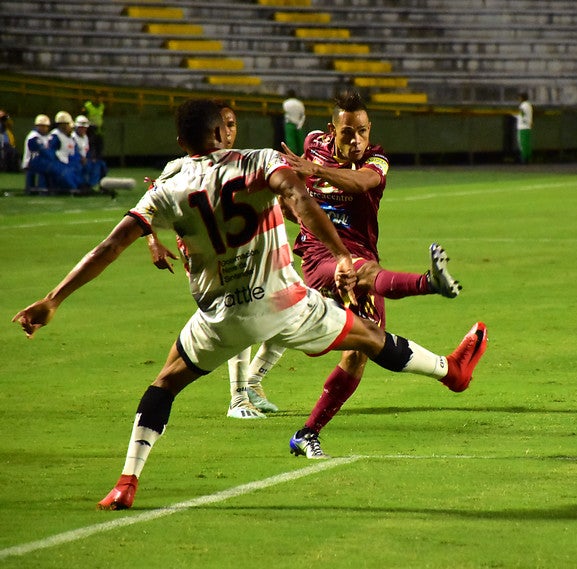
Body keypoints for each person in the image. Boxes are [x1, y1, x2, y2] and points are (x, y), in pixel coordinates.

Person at [12, 98, 489, 510]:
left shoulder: (168, 186)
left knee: (164, 385)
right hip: (285, 303)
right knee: (370, 338)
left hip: (220, 319)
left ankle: (126, 481)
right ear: (221, 132)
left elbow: (111, 245)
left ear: (181, 142)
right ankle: (450, 371)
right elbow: (299, 199)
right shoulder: (259, 161)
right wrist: (341, 253)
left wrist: (53, 299)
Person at [259, 89, 462, 458]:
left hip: (360, 253)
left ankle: (307, 432)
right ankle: (430, 283)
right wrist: (290, 207)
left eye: (363, 132)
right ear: (331, 130)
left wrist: (316, 171)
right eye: (347, 133)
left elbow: (361, 183)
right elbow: (294, 193)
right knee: (364, 273)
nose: (356, 140)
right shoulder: (312, 143)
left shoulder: (376, 160)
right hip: (321, 257)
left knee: (362, 349)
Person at [145, 101, 275, 420]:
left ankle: (251, 383)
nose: (228, 132)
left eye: (233, 125)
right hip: (207, 259)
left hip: (241, 254)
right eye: (223, 125)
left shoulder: (241, 164)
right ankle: (239, 397)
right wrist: (153, 242)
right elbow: (147, 208)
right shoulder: (179, 167)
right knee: (241, 313)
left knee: (285, 308)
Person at [47, 111, 81, 193]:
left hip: (69, 161)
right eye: (69, 125)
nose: (71, 128)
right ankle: (73, 188)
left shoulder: (70, 137)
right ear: (63, 125)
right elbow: (51, 153)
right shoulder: (55, 136)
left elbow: (74, 151)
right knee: (66, 173)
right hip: (58, 162)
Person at [22, 114, 53, 193]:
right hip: (30, 162)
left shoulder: (47, 136)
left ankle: (42, 190)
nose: (44, 128)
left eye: (45, 126)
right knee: (31, 180)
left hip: (41, 161)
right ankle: (31, 191)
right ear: (37, 126)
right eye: (41, 126)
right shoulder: (33, 136)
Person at [282, 89, 306, 155]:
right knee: (300, 143)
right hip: (299, 125)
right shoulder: (300, 103)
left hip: (290, 124)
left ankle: (291, 157)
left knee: (291, 143)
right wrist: (300, 124)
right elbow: (303, 115)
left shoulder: (286, 103)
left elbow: (286, 114)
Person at [82, 93, 105, 159]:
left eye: (100, 99)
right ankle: (90, 159)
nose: (99, 100)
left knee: (100, 145)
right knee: (91, 144)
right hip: (90, 128)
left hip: (99, 129)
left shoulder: (102, 106)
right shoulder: (87, 105)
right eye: (97, 98)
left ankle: (98, 159)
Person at [514, 92, 533, 164]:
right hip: (528, 126)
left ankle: (524, 159)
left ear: (522, 98)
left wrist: (516, 116)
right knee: (527, 143)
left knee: (522, 143)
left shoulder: (523, 105)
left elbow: (522, 115)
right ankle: (528, 158)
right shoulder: (529, 105)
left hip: (522, 127)